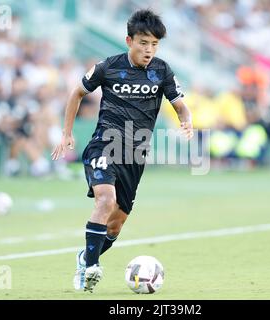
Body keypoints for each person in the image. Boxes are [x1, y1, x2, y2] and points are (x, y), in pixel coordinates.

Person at [51, 9, 193, 292]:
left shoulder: (162, 70)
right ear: (129, 40)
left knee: (115, 225)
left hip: (135, 155)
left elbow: (179, 105)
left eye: (154, 44)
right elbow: (76, 93)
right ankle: (90, 269)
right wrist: (67, 133)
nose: (148, 49)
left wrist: (186, 121)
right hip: (104, 144)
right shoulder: (107, 67)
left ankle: (86, 257)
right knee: (105, 200)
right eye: (143, 43)